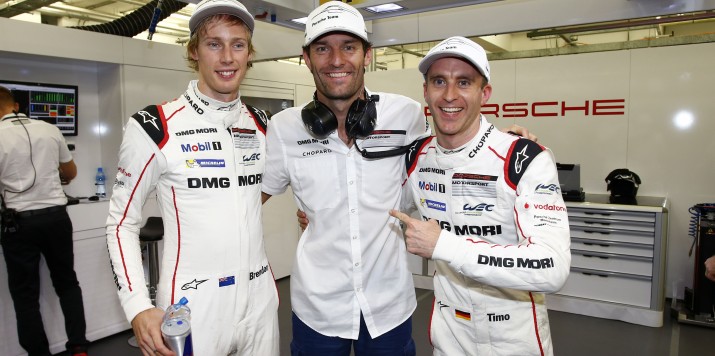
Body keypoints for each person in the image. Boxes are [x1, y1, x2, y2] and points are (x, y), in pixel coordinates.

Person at [105, 1, 279, 355]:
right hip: (194, 305)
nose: (227, 57)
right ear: (194, 51)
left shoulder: (263, 123)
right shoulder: (156, 125)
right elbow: (121, 223)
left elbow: (253, 192)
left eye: (238, 44)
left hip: (260, 301)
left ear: (249, 54)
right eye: (214, 44)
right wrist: (137, 305)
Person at [261, 2, 428, 354]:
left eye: (349, 47)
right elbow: (251, 199)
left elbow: (447, 158)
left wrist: (509, 139)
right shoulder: (284, 129)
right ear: (306, 57)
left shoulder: (407, 115)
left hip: (389, 305)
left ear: (367, 55)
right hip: (317, 309)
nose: (336, 60)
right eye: (323, 48)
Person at [389, 36, 571, 356]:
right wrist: (319, 213)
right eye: (439, 81)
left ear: (484, 93)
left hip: (514, 338)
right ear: (425, 91)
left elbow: (552, 267)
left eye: (464, 82)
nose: (449, 95)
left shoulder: (524, 157)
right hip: (449, 336)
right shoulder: (416, 157)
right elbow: (379, 206)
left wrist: (443, 244)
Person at [0, 86, 89, 356]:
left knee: (25, 295)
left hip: (18, 223)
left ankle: (38, 352)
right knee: (67, 283)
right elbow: (70, 172)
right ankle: (79, 346)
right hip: (56, 218)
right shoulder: (50, 129)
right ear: (15, 105)